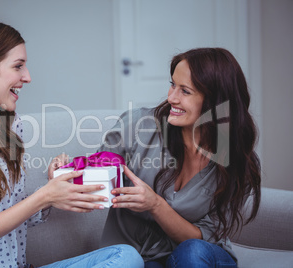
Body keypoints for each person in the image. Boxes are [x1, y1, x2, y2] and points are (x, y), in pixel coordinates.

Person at [0, 19, 144, 268]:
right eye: (18, 66)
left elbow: (11, 214)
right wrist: (44, 197)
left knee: (126, 256)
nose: (28, 77)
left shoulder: (8, 124)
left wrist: (53, 189)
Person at [97, 48, 261, 267]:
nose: (171, 97)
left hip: (201, 257)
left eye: (185, 91)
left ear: (215, 101)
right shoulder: (137, 126)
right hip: (140, 259)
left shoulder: (235, 161)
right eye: (173, 84)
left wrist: (155, 205)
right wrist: (66, 170)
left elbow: (203, 238)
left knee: (191, 253)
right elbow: (96, 172)